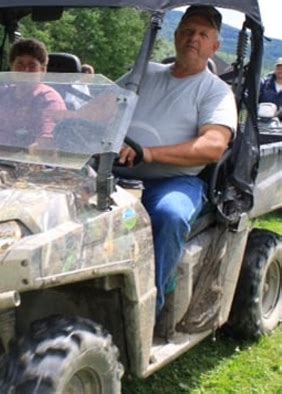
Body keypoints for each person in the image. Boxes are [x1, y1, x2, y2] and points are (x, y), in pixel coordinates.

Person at [115, 6, 237, 316]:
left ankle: (147, 312)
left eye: (203, 34)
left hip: (175, 180)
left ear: (215, 46)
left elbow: (213, 146)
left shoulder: (216, 91)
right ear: (176, 35)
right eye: (187, 31)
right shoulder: (145, 72)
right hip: (116, 172)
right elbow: (102, 107)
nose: (193, 38)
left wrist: (150, 153)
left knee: (170, 215)